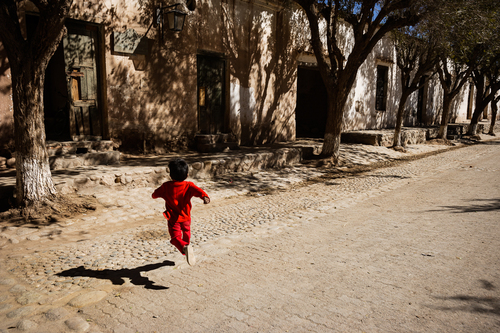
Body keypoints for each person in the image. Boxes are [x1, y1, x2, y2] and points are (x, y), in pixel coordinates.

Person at [152, 158, 210, 266]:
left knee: (175, 238)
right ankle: (187, 246)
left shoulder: (166, 187)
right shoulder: (189, 185)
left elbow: (154, 195)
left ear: (171, 175)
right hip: (186, 217)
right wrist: (205, 197)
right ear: (187, 175)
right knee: (186, 233)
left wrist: (158, 194)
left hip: (173, 219)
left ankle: (185, 248)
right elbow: (199, 191)